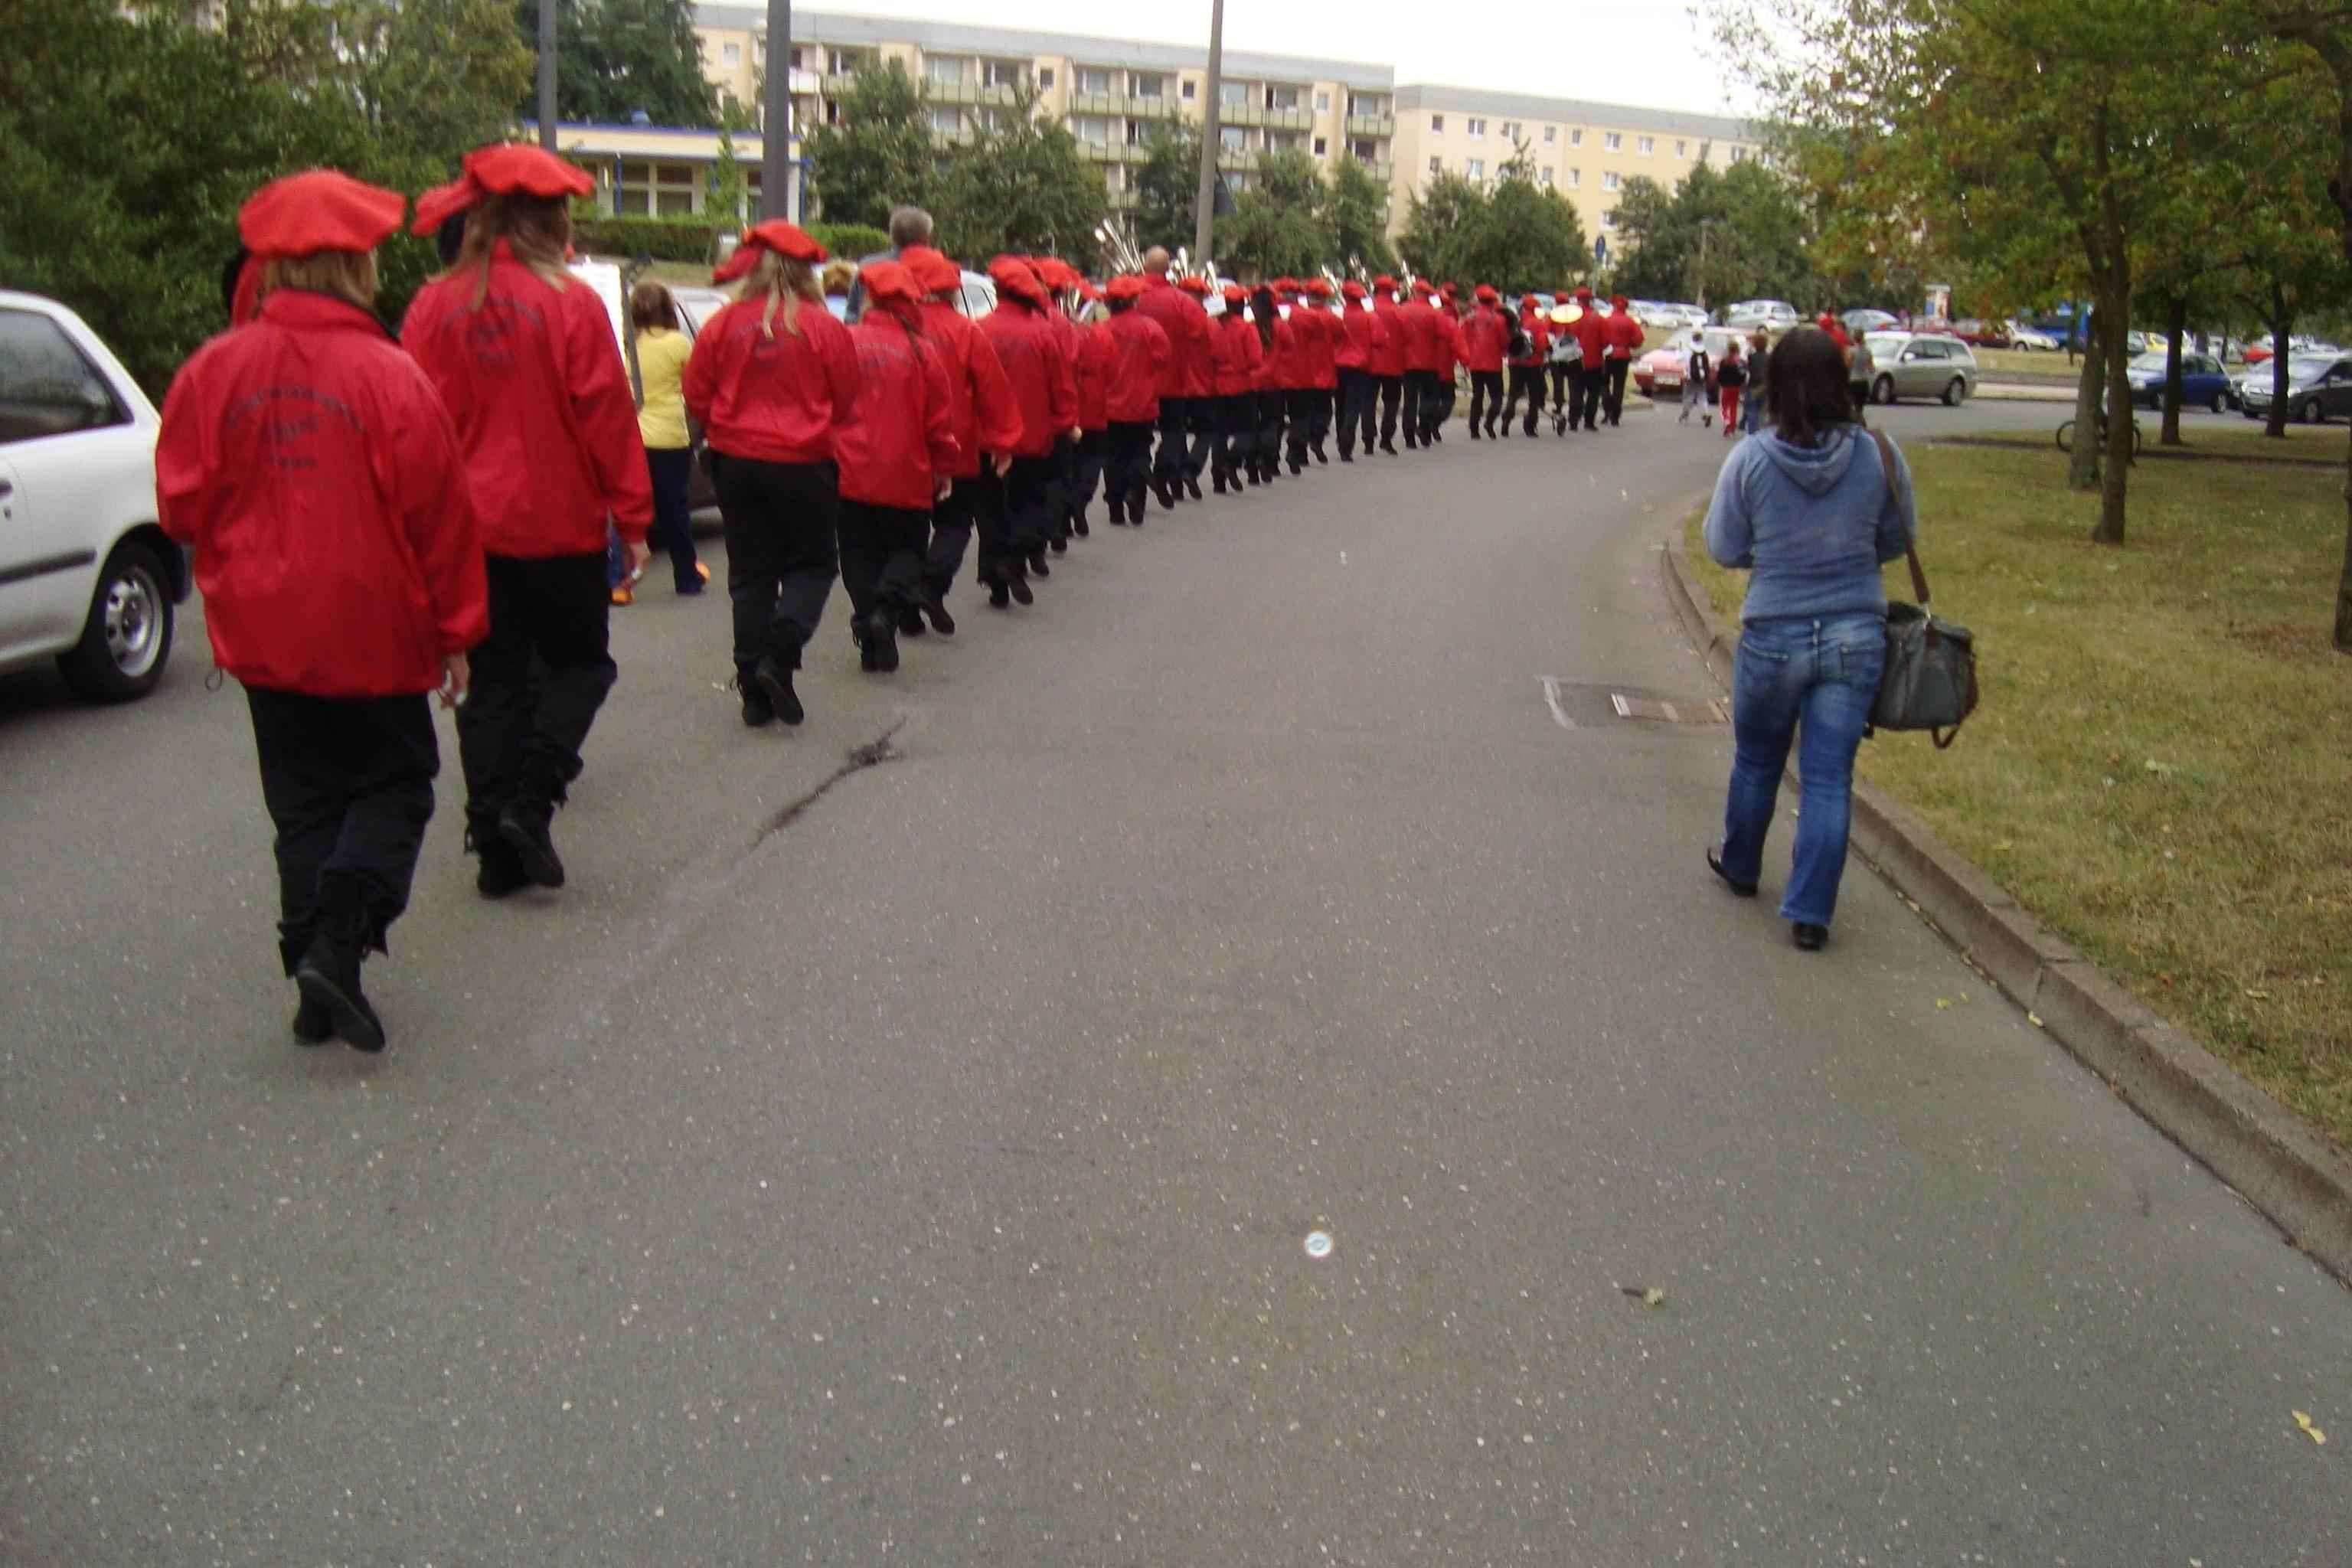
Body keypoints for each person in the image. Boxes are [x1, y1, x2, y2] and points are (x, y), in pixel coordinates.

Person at [158, 169, 487, 1052]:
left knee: (303, 805)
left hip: (261, 626)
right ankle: (337, 944)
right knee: (396, 784)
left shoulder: (212, 370)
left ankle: (313, 973)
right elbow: (441, 519)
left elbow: (180, 506)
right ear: (357, 264)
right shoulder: (390, 376)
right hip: (370, 625)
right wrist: (457, 632)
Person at [403, 143, 650, 893]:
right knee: (581, 666)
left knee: (491, 686)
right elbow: (606, 414)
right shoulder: (571, 304)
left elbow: (410, 421)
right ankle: (532, 801)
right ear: (554, 221)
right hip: (556, 523)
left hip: (467, 529)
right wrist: (633, 517)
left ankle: (494, 848)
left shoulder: (433, 305)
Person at [1703, 327, 1916, 952]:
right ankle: (1811, 912)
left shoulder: (1751, 458)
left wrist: (1772, 553)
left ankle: (1742, 866)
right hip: (1855, 632)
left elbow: (1723, 546)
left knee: (1757, 758)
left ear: (1775, 386)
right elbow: (1898, 537)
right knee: (1828, 777)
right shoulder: (1879, 455)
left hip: (1774, 629)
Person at [682, 220, 862, 727]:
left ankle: (752, 687)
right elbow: (847, 396)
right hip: (805, 461)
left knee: (751, 574)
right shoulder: (824, 328)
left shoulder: (723, 324)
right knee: (814, 566)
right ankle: (780, 655)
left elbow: (696, 392)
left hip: (737, 461)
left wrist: (723, 424)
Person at [833, 260, 959, 675]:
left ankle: (869, 625)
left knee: (857, 554)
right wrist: (944, 466)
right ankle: (885, 613)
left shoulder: (846, 342)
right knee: (908, 550)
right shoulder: (922, 352)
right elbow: (939, 421)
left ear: (869, 297)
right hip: (907, 471)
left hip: (850, 470)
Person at [899, 247, 1019, 637]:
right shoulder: (966, 332)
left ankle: (906, 607)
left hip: (901, 446)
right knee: (954, 524)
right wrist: (1002, 441)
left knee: (910, 530)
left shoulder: (895, 327)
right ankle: (931, 585)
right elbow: (993, 392)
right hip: (956, 443)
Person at [977, 254, 1077, 605]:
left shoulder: (980, 329)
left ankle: (995, 578)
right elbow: (1061, 386)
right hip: (1033, 436)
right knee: (1028, 502)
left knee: (991, 508)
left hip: (988, 437)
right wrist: (1065, 423)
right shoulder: (1044, 334)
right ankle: (1014, 558)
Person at [629, 280, 710, 599]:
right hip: (670, 436)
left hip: (633, 435)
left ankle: (621, 579)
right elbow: (694, 387)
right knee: (675, 509)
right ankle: (686, 576)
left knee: (628, 510)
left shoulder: (628, 344)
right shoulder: (679, 344)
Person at [1133, 247, 1212, 508]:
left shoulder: (1131, 295)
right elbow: (1201, 332)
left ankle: (1137, 484)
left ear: (1145, 266)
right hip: (1172, 380)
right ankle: (1162, 471)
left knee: (1136, 439)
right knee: (1172, 432)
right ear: (1168, 269)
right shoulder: (1181, 301)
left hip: (1135, 380)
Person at [1099, 275, 1170, 524]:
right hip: (1142, 402)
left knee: (1113, 456)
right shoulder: (1150, 328)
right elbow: (1163, 358)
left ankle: (1115, 507)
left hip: (1110, 404)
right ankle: (1135, 495)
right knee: (1140, 451)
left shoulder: (1102, 330)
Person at [1065, 282, 1114, 540]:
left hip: (1069, 406)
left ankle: (1064, 513)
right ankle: (1079, 502)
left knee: (1069, 464)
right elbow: (1112, 370)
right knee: (1092, 460)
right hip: (1094, 406)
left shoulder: (1060, 333)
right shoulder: (1101, 336)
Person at [1208, 282, 1263, 492]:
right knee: (1247, 431)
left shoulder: (1214, 327)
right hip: (1242, 385)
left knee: (1219, 434)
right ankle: (1231, 462)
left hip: (1219, 386)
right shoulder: (1247, 329)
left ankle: (1218, 480)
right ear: (1241, 305)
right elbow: (1256, 359)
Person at [844, 204, 931, 322]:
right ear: (926, 238)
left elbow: (851, 314)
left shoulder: (868, 265)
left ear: (892, 236)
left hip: (867, 330)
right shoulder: (934, 269)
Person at [1334, 279, 1386, 461]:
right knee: (1353, 406)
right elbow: (1379, 340)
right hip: (1360, 366)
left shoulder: (1337, 315)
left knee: (1340, 404)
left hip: (1338, 365)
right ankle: (1347, 443)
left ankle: (1341, 439)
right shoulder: (1370, 317)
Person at [1252, 283, 1295, 485]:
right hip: (1275, 381)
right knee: (1273, 423)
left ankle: (1255, 459)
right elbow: (1290, 346)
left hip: (1255, 380)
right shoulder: (1280, 325)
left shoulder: (1252, 325)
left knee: (1256, 422)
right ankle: (1269, 459)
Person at [1462, 284, 1509, 439]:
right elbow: (1504, 341)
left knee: (1477, 396)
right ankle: (1489, 422)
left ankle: (1474, 429)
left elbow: (1464, 339)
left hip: (1475, 363)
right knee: (1497, 397)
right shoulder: (1500, 320)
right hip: (1493, 364)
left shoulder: (1469, 319)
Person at [1369, 276, 1410, 454]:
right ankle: (1386, 438)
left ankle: (1368, 439)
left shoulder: (1369, 309)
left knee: (1369, 402)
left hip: (1371, 362)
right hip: (1394, 363)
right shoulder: (1398, 311)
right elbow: (1408, 336)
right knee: (1391, 403)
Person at [1301, 279, 1340, 462]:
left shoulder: (1300, 316)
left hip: (1303, 370)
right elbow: (1341, 336)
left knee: (1304, 411)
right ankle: (1316, 438)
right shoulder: (1332, 318)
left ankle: (1300, 451)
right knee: (1324, 410)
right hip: (1325, 368)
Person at [1503, 294, 1550, 436]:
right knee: (1534, 395)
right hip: (1532, 363)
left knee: (1514, 393)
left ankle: (1506, 420)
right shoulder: (1538, 323)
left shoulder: (1515, 322)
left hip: (1514, 362)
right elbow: (1541, 344)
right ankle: (1530, 426)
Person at [1568, 286, 1608, 431]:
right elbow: (1605, 341)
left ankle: (1573, 421)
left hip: (1574, 360)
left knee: (1575, 391)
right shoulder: (1598, 318)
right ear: (1590, 300)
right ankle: (1589, 422)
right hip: (1594, 362)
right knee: (1593, 393)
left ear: (1578, 300)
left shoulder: (1570, 318)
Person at [1602, 293, 1645, 425]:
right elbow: (1639, 339)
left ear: (1614, 306)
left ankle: (1607, 408)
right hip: (1623, 355)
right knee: (1619, 386)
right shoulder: (1631, 322)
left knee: (1604, 383)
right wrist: (1629, 344)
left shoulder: (1606, 320)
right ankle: (1615, 416)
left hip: (1607, 354)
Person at [1742, 327, 1771, 434]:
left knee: (1752, 410)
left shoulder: (1752, 357)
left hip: (1753, 386)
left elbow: (1748, 371)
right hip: (1766, 387)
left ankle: (1752, 432)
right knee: (1762, 412)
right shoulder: (1770, 357)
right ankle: (1761, 432)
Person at [1681, 331, 1713, 426]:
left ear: (1693, 338)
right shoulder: (1704, 350)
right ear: (1701, 339)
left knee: (1688, 396)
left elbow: (1679, 359)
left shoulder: (1688, 349)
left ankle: (1685, 415)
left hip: (1690, 377)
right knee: (1702, 396)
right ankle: (1705, 414)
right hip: (1702, 377)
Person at [1716, 338, 1747, 436]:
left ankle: (1727, 421)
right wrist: (1740, 383)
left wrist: (1721, 383)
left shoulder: (1724, 361)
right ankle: (1732, 428)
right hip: (1736, 387)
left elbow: (1720, 374)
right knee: (1733, 407)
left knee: (1724, 407)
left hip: (1725, 387)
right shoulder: (1740, 362)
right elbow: (1743, 374)